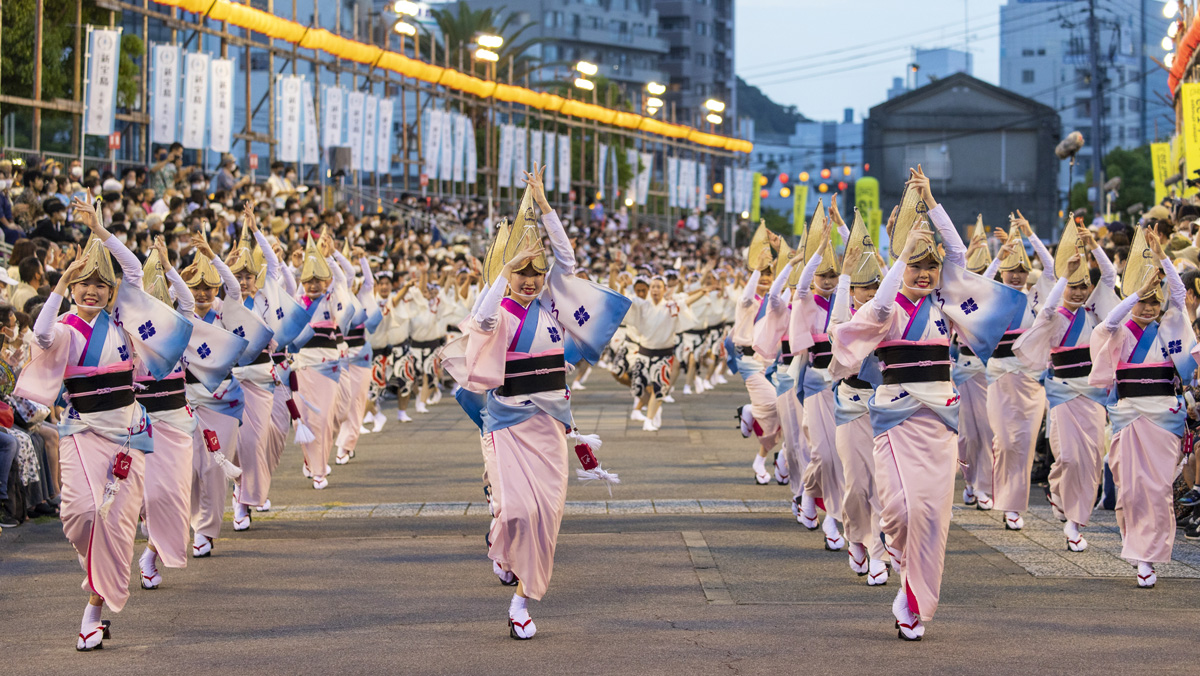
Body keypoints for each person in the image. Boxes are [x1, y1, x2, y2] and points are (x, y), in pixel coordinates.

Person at [830, 167, 1023, 640]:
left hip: (939, 417)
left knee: (933, 515)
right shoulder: (888, 308)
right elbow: (875, 306)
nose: (923, 273)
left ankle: (913, 600)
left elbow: (957, 253)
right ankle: (895, 558)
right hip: (895, 415)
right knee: (899, 511)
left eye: (928, 267)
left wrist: (932, 204)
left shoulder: (945, 306)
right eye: (915, 267)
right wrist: (902, 254)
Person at [442, 164, 626, 639]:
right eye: (521, 273)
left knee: (546, 517)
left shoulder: (552, 307)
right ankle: (499, 535)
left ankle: (521, 598)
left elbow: (566, 261)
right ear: (506, 276)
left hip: (549, 429)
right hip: (506, 426)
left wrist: (543, 205)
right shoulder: (498, 312)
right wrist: (501, 273)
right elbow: (479, 323)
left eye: (535, 272)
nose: (530, 280)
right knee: (518, 512)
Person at [15, 198, 185, 651]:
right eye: (84, 284)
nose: (92, 291)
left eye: (99, 285)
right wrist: (59, 287)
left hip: (128, 433)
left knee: (113, 523)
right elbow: (43, 336)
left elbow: (132, 272)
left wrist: (102, 230)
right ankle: (93, 564)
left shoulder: (124, 322)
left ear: (111, 293)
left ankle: (93, 613)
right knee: (79, 515)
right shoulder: (66, 326)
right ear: (74, 288)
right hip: (82, 433)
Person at [1093, 229, 1194, 588]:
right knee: (1131, 490)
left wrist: (1162, 257)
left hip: (1164, 418)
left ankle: (1149, 557)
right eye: (1142, 301)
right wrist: (1136, 290)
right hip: (1129, 415)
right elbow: (1107, 322)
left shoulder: (1170, 327)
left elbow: (1179, 297)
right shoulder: (1118, 332)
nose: (1149, 306)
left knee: (1156, 490)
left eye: (1154, 300)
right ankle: (1136, 547)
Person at [1013, 225, 1118, 550]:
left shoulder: (1094, 314)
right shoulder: (1054, 316)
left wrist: (1094, 246)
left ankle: (1075, 523)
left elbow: (1111, 278)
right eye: (1073, 287)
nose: (1078, 292)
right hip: (1061, 393)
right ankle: (1057, 490)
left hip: (1091, 394)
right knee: (1068, 458)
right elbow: (1045, 309)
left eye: (1083, 287)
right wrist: (1064, 277)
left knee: (1089, 459)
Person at [981, 212, 1055, 531]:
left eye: (1022, 270)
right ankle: (999, 492)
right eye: (1012, 270)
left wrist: (1030, 235)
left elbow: (1052, 269)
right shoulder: (993, 297)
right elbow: (979, 283)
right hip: (999, 378)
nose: (1017, 275)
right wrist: (999, 256)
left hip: (1030, 381)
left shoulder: (1037, 298)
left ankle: (1013, 505)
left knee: (1023, 444)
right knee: (1004, 442)